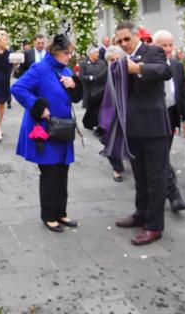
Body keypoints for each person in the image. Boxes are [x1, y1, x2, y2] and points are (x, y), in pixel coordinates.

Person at [12, 34, 83, 233]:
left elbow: (75, 98)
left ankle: (61, 212)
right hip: (45, 130)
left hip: (63, 129)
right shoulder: (40, 68)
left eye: (71, 53)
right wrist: (38, 107)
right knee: (50, 173)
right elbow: (18, 88)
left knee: (63, 171)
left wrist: (74, 85)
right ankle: (49, 215)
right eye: (67, 53)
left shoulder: (65, 69)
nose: (70, 56)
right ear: (56, 52)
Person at [113, 21, 172, 246]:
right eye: (119, 41)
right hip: (133, 127)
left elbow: (164, 71)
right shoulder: (120, 58)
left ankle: (154, 226)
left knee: (156, 178)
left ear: (136, 36)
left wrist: (138, 69)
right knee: (140, 176)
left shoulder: (153, 50)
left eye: (127, 39)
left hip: (155, 127)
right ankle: (141, 213)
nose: (124, 44)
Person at [152, 30, 185, 213]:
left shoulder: (176, 65)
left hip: (170, 116)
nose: (167, 49)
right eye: (163, 45)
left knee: (162, 156)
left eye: (170, 45)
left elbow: (183, 95)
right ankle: (174, 195)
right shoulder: (148, 65)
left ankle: (159, 186)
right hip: (153, 117)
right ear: (154, 46)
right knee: (161, 157)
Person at [98, 45, 127, 182]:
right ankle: (116, 168)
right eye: (111, 60)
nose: (115, 62)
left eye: (117, 59)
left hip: (126, 113)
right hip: (109, 112)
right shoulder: (105, 73)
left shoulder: (128, 73)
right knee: (111, 139)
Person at [79, 46, 106, 114]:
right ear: (91, 53)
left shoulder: (102, 62)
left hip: (99, 90)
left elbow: (105, 74)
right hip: (88, 91)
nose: (98, 54)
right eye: (96, 52)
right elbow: (81, 76)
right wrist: (91, 78)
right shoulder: (83, 63)